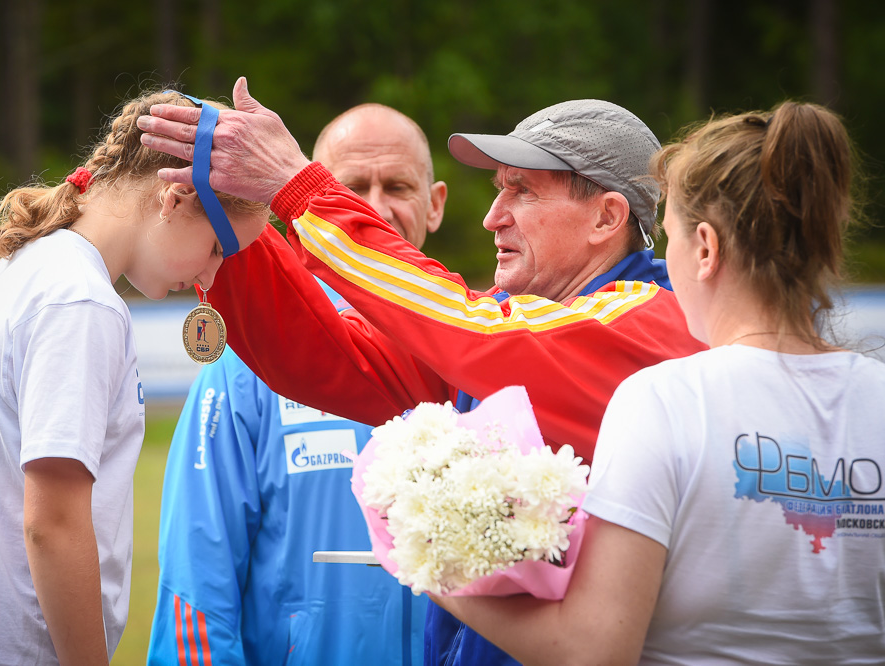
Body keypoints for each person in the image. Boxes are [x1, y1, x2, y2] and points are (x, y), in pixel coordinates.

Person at [136, 77, 706, 665]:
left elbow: (466, 326)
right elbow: (332, 358)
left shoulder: (644, 318)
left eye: (523, 192)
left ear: (606, 217)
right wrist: (232, 220)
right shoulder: (523, 326)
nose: (492, 217)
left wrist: (298, 187)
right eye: (497, 190)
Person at [432, 102, 885, 663]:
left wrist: (436, 568)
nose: (658, 268)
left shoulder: (664, 399)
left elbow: (593, 651)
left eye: (665, 240)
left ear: (704, 250)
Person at [0, 90, 269, 666]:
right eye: (219, 248)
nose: (210, 274)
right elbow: (52, 523)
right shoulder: (81, 301)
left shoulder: (23, 266)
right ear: (173, 198)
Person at [146, 103, 445, 666]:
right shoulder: (250, 359)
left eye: (398, 186)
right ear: (299, 204)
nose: (373, 207)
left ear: (436, 205)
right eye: (350, 186)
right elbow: (196, 576)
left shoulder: (467, 345)